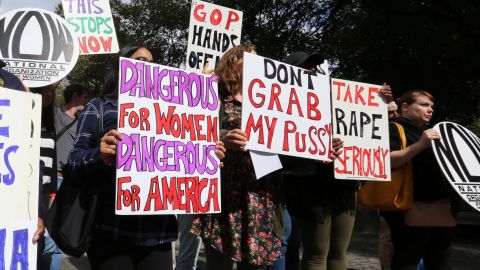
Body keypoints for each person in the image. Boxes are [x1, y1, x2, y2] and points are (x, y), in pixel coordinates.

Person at [68, 45, 178, 270]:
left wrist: (206, 155)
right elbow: (74, 160)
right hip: (111, 231)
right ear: (121, 67)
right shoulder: (98, 108)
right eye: (140, 60)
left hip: (157, 232)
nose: (147, 66)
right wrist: (98, 153)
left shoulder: (173, 112)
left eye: (151, 62)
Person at [191, 44, 284, 270]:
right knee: (219, 259)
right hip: (225, 190)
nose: (256, 63)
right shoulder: (217, 94)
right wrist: (224, 137)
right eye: (249, 58)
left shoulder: (273, 100)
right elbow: (195, 130)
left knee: (253, 261)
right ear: (233, 62)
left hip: (258, 192)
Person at [277, 51, 355, 270]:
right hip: (309, 184)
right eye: (305, 67)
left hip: (343, 182)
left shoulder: (338, 99)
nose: (312, 70)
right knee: (316, 252)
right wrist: (314, 153)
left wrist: (378, 102)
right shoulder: (279, 106)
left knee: (339, 251)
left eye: (315, 66)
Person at [381, 90, 455, 270]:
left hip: (438, 205)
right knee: (408, 259)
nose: (430, 110)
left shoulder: (431, 131)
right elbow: (387, 160)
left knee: (440, 260)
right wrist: (421, 144)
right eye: (423, 105)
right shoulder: (393, 128)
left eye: (431, 106)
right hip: (408, 205)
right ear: (405, 107)